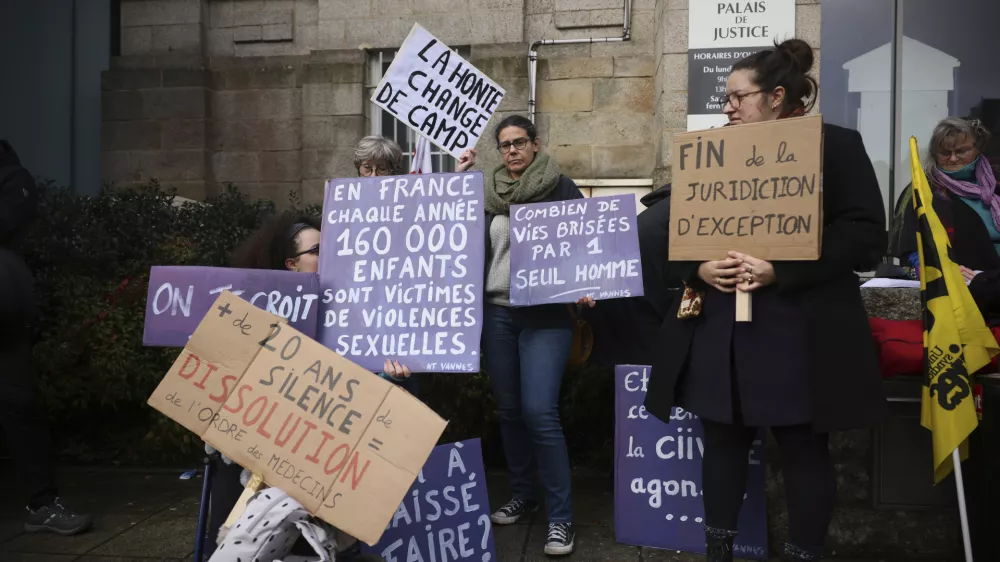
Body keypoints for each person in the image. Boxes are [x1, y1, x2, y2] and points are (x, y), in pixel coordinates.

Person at [640, 40, 887, 561]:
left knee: (802, 447)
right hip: (722, 327)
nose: (727, 106)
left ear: (777, 96)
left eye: (737, 96)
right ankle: (719, 554)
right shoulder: (710, 153)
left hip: (798, 326)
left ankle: (805, 553)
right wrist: (699, 267)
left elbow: (866, 235)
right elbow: (675, 236)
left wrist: (782, 269)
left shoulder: (836, 146)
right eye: (725, 97)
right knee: (723, 443)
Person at [206, 211, 406, 560]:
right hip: (265, 446)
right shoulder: (258, 316)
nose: (328, 255)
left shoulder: (350, 310)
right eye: (318, 250)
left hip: (325, 447)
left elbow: (357, 390)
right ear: (291, 264)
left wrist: (389, 377)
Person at [481, 114, 594, 557]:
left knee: (539, 413)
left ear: (535, 143)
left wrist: (590, 282)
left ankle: (561, 519)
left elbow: (588, 243)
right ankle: (525, 494)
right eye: (504, 145)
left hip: (546, 316)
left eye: (520, 142)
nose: (512, 150)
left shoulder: (560, 187)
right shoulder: (489, 194)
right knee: (510, 412)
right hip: (498, 315)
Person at [0, 140, 93, 536]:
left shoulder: (11, 175)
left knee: (21, 407)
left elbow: (11, 214)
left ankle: (42, 503)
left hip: (5, 317)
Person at [891, 118, 1000, 322]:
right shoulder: (921, 192)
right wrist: (941, 269)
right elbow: (911, 249)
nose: (953, 158)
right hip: (962, 293)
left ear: (977, 149)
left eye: (962, 151)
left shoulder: (997, 184)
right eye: (945, 153)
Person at [352, 135, 476, 176]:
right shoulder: (344, 202)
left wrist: (460, 172)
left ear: (392, 170)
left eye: (382, 169)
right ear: (358, 168)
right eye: (367, 168)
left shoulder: (404, 198)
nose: (373, 176)